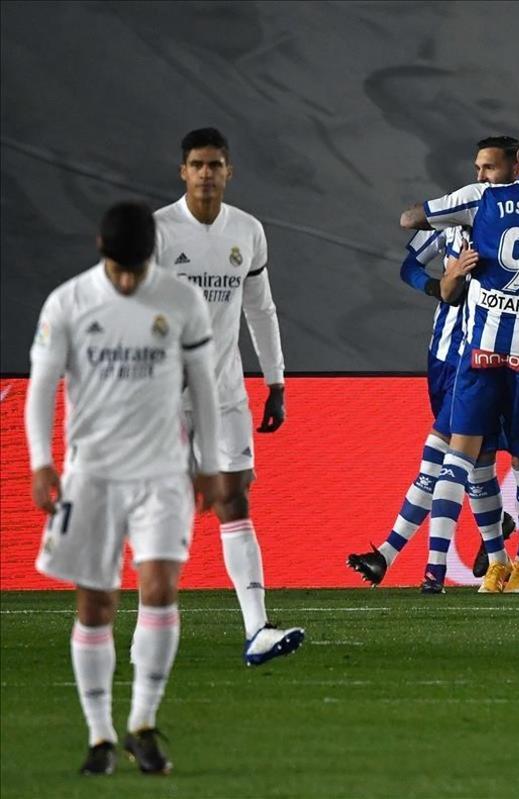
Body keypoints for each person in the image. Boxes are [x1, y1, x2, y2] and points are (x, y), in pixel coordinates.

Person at [25, 201, 223, 775]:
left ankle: (142, 722)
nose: (130, 280)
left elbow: (202, 386)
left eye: (138, 268)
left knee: (160, 589)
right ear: (100, 252)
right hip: (92, 474)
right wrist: (42, 463)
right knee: (97, 603)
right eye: (120, 269)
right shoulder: (68, 302)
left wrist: (207, 461)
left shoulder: (181, 300)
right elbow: (40, 389)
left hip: (163, 472)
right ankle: (98, 735)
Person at [398, 119, 519, 594]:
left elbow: (409, 219)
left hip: (481, 352)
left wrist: (450, 230)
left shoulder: (481, 199)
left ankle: (433, 572)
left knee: (460, 456)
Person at [155, 128, 304, 664]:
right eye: (197, 164)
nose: (206, 174)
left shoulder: (248, 231)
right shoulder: (159, 233)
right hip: (164, 399)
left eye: (215, 164)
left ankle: (257, 629)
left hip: (224, 394)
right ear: (183, 172)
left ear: (229, 171)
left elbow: (259, 310)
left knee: (233, 502)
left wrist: (276, 381)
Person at [345, 136, 519, 591]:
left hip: (479, 357)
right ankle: (499, 554)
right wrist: (438, 284)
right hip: (441, 356)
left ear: (516, 168)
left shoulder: (514, 225)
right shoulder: (456, 212)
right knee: (476, 463)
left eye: (491, 169)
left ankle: (401, 559)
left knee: (440, 458)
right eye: (478, 167)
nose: (481, 177)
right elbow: (409, 265)